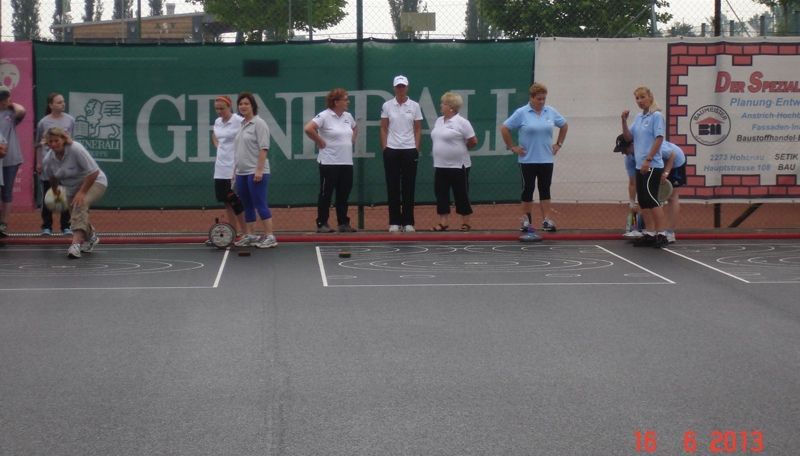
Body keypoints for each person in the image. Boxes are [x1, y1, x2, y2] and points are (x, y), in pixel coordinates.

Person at [501, 82, 568, 242]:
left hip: (546, 159)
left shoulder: (550, 111)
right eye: (539, 99)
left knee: (545, 188)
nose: (542, 101)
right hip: (527, 160)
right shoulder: (522, 112)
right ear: (531, 98)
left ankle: (547, 220)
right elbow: (504, 128)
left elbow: (564, 125)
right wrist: (512, 147)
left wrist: (558, 144)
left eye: (544, 98)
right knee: (528, 189)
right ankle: (526, 220)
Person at [41, 127, 107, 259]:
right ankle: (92, 237)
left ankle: (75, 245)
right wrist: (55, 192)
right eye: (51, 141)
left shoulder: (76, 149)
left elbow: (93, 172)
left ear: (63, 139)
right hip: (71, 189)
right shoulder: (48, 160)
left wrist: (82, 192)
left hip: (95, 182)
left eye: (56, 140)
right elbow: (52, 177)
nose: (54, 144)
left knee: (79, 205)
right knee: (76, 217)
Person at [304, 88, 358, 233]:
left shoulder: (348, 116)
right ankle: (322, 223)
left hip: (346, 162)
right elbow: (308, 128)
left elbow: (355, 128)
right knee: (326, 194)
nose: (348, 102)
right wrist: (319, 141)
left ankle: (343, 223)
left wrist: (352, 140)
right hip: (329, 163)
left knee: (343, 194)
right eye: (345, 100)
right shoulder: (324, 116)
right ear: (336, 102)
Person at [621, 86, 668, 248]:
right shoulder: (639, 117)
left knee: (652, 199)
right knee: (643, 200)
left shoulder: (656, 116)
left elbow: (659, 139)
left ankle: (662, 234)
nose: (640, 101)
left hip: (652, 165)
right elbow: (628, 137)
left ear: (650, 97)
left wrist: (648, 159)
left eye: (642, 97)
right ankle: (650, 233)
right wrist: (623, 121)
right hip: (639, 165)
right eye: (637, 98)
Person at [232, 92, 277, 249]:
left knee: (259, 203)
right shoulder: (241, 125)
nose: (243, 106)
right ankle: (250, 235)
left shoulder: (259, 123)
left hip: (256, 172)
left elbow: (264, 148)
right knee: (247, 205)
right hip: (241, 172)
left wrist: (259, 170)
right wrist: (235, 172)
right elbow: (239, 150)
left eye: (246, 104)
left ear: (253, 106)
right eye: (240, 104)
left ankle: (270, 236)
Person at [380, 75, 422, 233]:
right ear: (394, 88)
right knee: (392, 186)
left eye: (403, 86)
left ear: (407, 87)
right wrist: (385, 148)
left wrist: (415, 148)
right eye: (398, 86)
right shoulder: (387, 106)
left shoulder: (415, 106)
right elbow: (383, 127)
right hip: (391, 150)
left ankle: (408, 222)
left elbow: (418, 129)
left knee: (408, 186)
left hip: (409, 150)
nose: (400, 89)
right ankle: (394, 222)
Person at [430, 92, 477, 232]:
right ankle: (443, 223)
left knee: (461, 194)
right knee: (441, 194)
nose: (441, 106)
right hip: (440, 165)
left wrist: (459, 150)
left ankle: (466, 223)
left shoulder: (462, 122)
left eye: (443, 103)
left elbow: (473, 141)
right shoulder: (439, 121)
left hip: (458, 166)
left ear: (451, 107)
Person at [36, 92, 74, 236]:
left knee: (65, 195)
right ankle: (46, 227)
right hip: (49, 165)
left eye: (63, 101)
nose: (63, 104)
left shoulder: (70, 120)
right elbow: (38, 144)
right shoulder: (43, 122)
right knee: (48, 194)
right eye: (59, 102)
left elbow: (71, 142)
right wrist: (39, 162)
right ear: (51, 105)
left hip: (65, 164)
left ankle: (66, 226)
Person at [211, 95, 246, 239]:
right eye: (217, 109)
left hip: (234, 167)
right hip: (220, 168)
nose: (219, 111)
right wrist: (219, 147)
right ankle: (233, 232)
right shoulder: (217, 122)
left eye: (222, 108)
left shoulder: (239, 120)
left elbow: (248, 138)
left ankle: (246, 233)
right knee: (226, 201)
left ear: (229, 107)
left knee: (235, 201)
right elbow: (215, 135)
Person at [0, 85, 27, 237]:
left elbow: (22, 110)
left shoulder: (11, 113)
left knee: (7, 193)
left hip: (10, 159)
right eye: (3, 99)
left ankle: (3, 224)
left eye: (7, 98)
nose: (5, 101)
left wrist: (10, 103)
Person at [613, 134, 644, 239]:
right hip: (645, 174)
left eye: (624, 149)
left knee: (648, 204)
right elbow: (632, 183)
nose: (623, 153)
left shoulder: (645, 152)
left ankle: (656, 231)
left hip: (662, 170)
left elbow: (652, 173)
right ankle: (634, 229)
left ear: (632, 145)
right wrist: (632, 202)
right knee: (635, 207)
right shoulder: (629, 159)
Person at [659, 140, 686, 244]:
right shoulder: (637, 150)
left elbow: (672, 155)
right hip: (661, 164)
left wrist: (665, 173)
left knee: (672, 197)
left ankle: (670, 233)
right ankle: (656, 230)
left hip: (676, 163)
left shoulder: (653, 145)